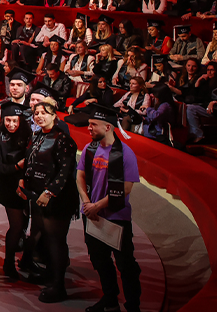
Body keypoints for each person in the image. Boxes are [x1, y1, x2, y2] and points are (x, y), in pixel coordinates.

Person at [77, 104, 142, 312]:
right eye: (89, 124)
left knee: (126, 265)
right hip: (92, 215)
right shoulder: (89, 148)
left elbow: (126, 187)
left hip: (116, 217)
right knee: (100, 260)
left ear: (108, 127)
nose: (89, 128)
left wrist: (97, 205)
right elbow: (80, 176)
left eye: (93, 125)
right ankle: (110, 298)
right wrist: (87, 202)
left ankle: (133, 306)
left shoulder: (125, 153)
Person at [22, 98, 80, 303]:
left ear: (54, 115)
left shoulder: (63, 139)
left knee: (55, 241)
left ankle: (59, 285)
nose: (39, 116)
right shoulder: (36, 135)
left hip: (57, 199)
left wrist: (50, 192)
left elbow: (66, 170)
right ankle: (49, 275)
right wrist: (24, 182)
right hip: (37, 196)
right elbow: (30, 160)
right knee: (42, 237)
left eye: (44, 112)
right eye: (36, 113)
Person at [0, 102, 32, 281]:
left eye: (14, 120)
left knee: (25, 226)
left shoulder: (28, 136)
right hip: (10, 189)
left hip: (29, 187)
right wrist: (16, 166)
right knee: (16, 226)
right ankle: (8, 262)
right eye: (8, 120)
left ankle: (27, 260)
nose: (11, 124)